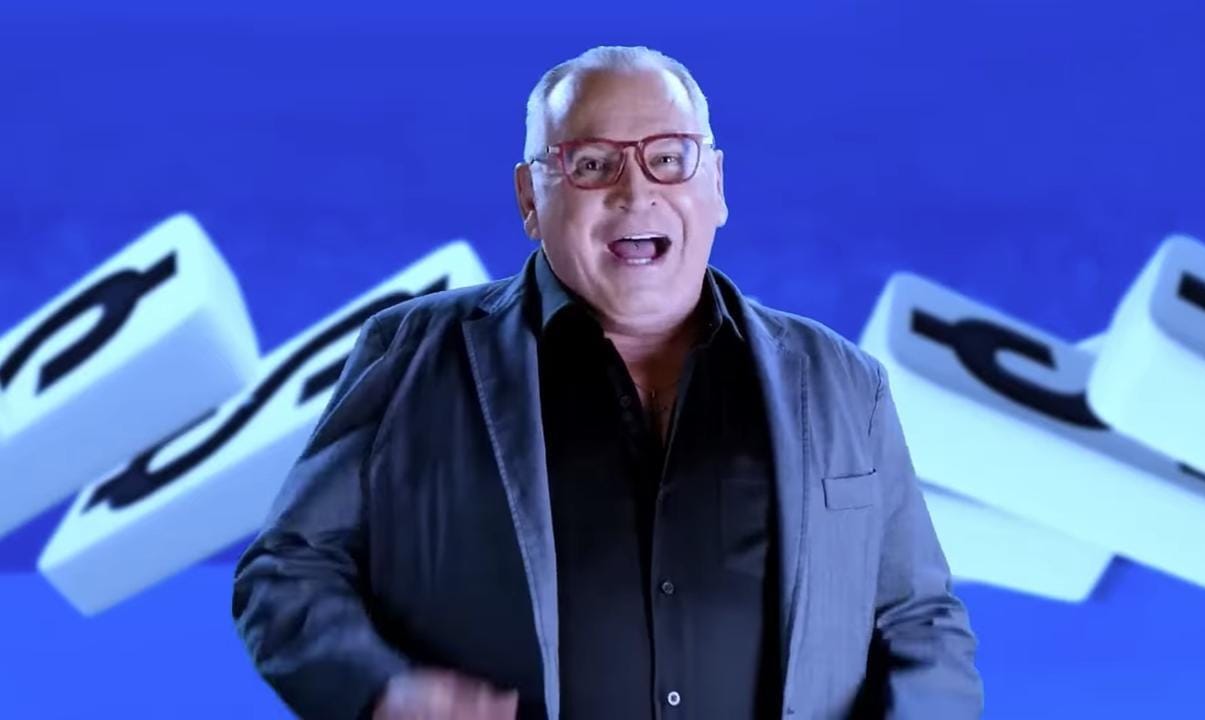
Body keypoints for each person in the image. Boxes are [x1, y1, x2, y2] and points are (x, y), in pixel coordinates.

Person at [232, 45, 982, 720]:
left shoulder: (842, 381)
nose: (635, 192)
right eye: (591, 164)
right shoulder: (412, 355)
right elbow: (287, 570)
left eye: (669, 158)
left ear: (716, 184)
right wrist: (380, 691)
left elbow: (918, 620)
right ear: (530, 199)